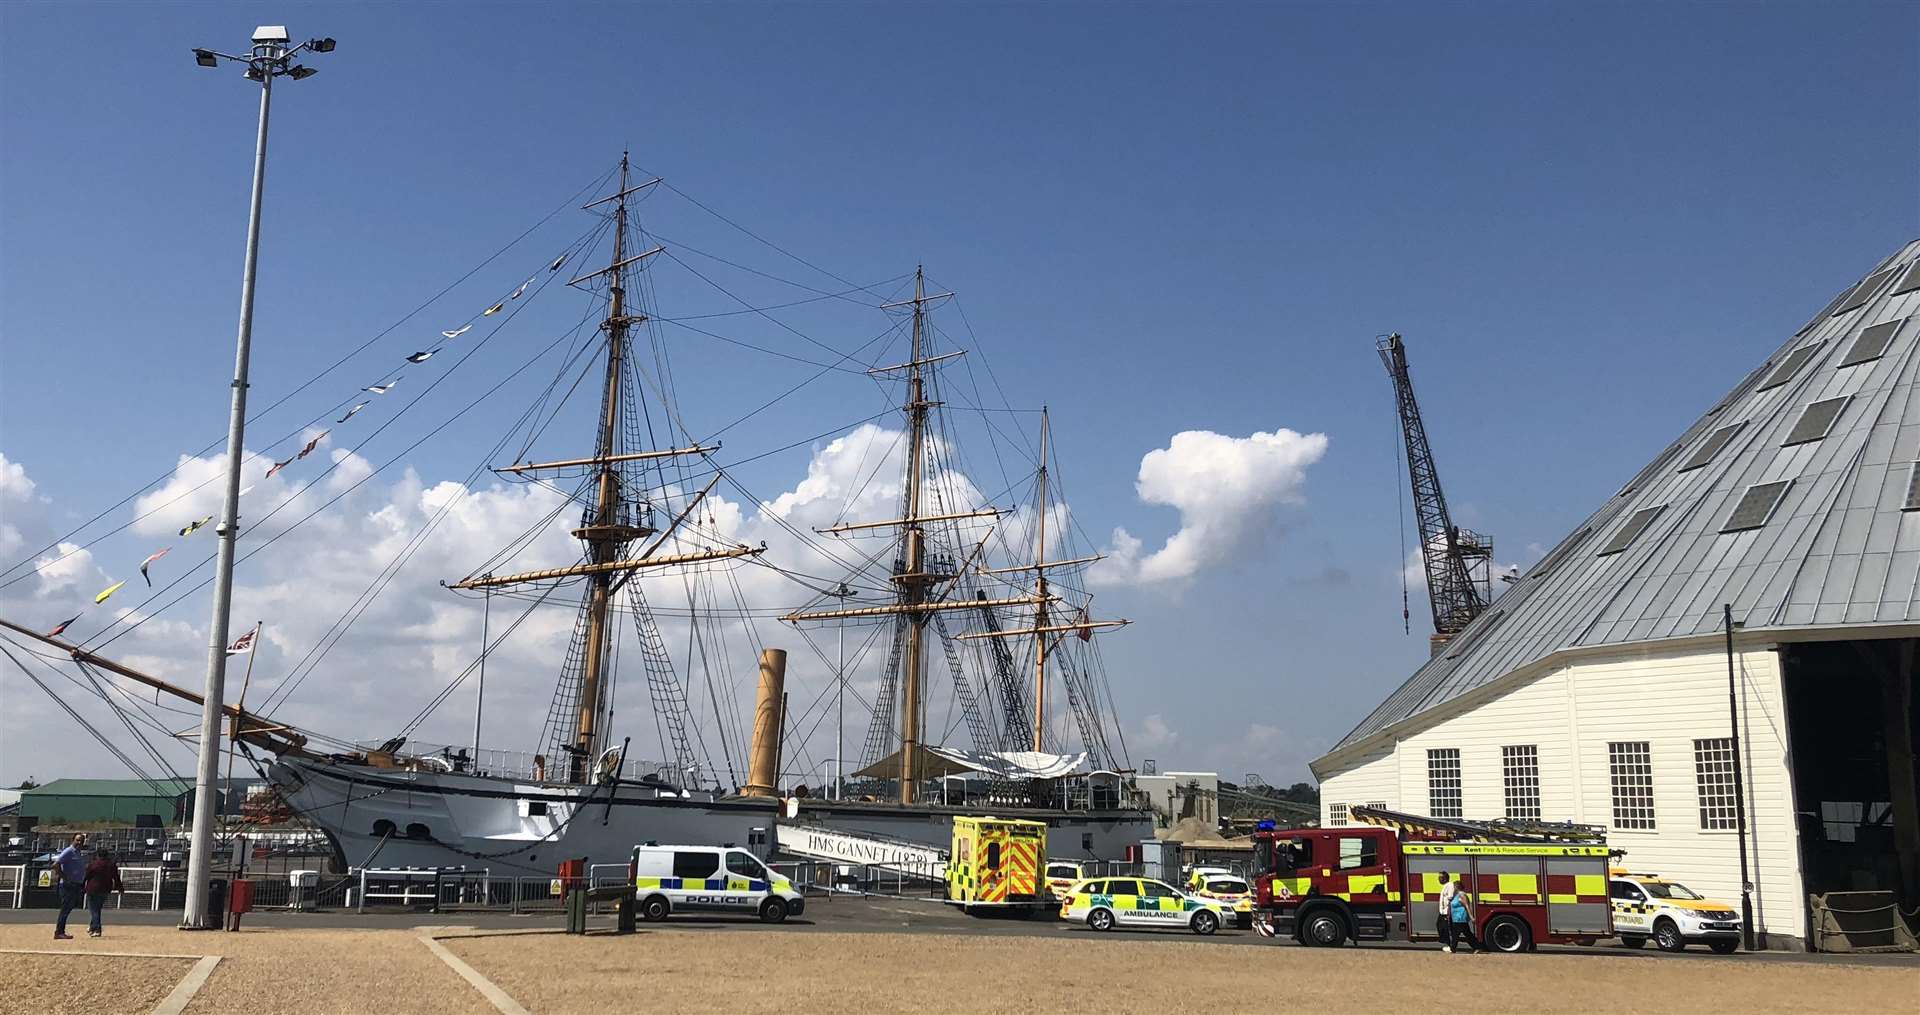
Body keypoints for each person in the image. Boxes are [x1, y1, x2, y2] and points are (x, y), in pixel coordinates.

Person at [49, 832, 88, 940]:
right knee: (65, 908)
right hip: (68, 885)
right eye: (78, 840)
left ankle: (61, 930)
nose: (80, 842)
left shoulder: (78, 853)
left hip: (76, 884)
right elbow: (55, 865)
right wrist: (65, 877)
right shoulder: (69, 851)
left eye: (82, 840)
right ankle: (59, 931)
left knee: (69, 908)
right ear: (73, 840)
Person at [83, 847, 124, 938]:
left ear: (98, 855)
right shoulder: (111, 865)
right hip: (105, 889)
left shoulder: (93, 864)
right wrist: (120, 888)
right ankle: (92, 927)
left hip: (92, 889)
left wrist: (81, 886)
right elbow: (116, 877)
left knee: (93, 910)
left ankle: (97, 928)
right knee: (97, 909)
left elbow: (86, 876)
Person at [1449, 881, 1479, 953]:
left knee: (1457, 934)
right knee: (1465, 933)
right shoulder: (1456, 895)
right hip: (1456, 918)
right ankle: (1477, 947)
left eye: (1454, 886)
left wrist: (1471, 917)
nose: (1453, 888)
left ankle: (1453, 948)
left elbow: (1467, 905)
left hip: (1460, 918)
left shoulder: (1462, 895)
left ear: (1457, 887)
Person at [1436, 872, 1457, 952]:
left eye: (1440, 877)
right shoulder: (1445, 886)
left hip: (1446, 912)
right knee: (1440, 926)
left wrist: (1448, 910)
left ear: (1444, 878)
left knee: (1446, 928)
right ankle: (1447, 943)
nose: (1438, 879)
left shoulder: (1450, 885)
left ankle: (1450, 945)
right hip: (1442, 912)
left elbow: (1450, 897)